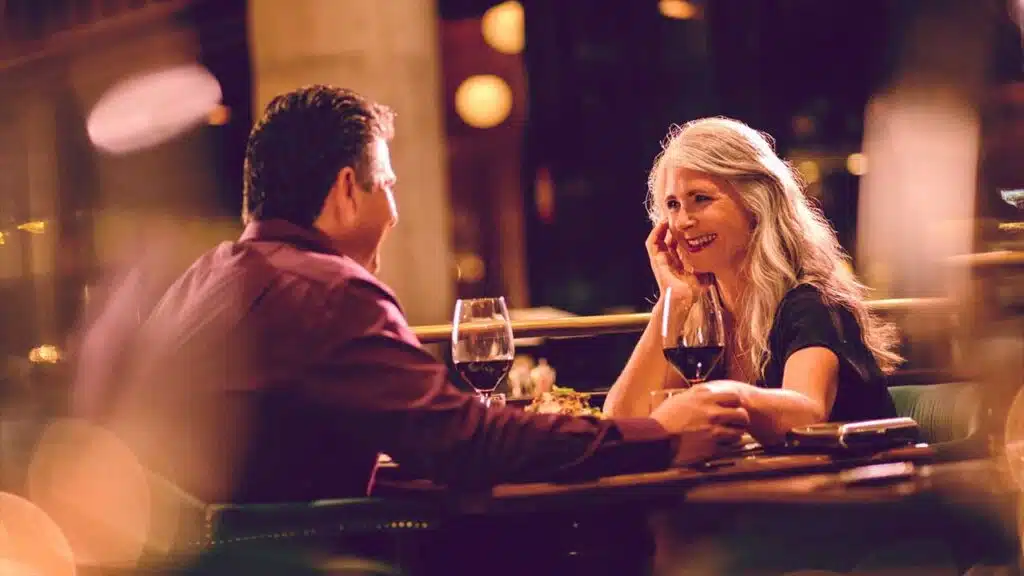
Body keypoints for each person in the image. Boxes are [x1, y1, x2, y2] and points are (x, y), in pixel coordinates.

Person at [70, 86, 750, 504]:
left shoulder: (209, 277)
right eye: (387, 184)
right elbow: (467, 444)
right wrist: (657, 436)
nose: (394, 208)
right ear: (346, 190)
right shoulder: (326, 291)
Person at [603, 117, 902, 444]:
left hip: (848, 487)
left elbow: (807, 412)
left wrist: (721, 395)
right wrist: (671, 303)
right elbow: (620, 426)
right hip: (761, 488)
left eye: (701, 199)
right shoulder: (702, 316)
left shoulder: (812, 302)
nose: (683, 221)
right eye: (672, 205)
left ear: (755, 204)